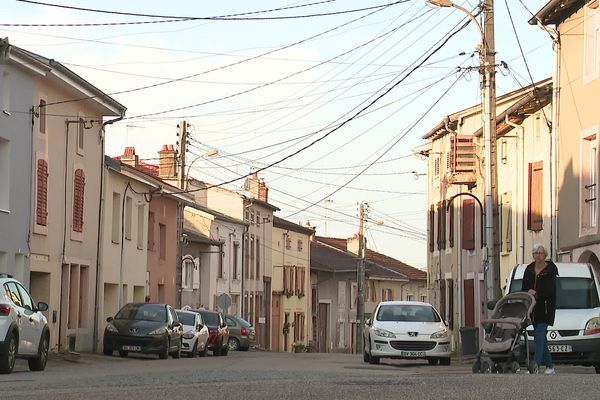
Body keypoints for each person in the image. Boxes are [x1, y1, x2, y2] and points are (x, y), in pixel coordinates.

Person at [521, 243, 558, 374]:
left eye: (540, 253)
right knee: (542, 338)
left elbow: (550, 289)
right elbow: (524, 287)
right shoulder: (529, 269)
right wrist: (528, 291)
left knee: (538, 336)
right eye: (536, 253)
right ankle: (550, 367)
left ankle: (535, 366)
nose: (538, 255)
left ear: (545, 255)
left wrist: (536, 293)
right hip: (533, 310)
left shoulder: (551, 270)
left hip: (545, 309)